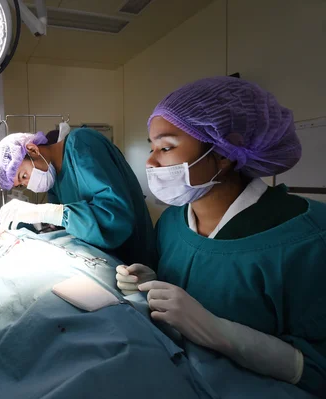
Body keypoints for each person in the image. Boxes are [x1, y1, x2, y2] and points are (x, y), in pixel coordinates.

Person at [117, 76, 326, 396]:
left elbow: (317, 369)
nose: (150, 161)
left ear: (225, 152)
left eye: (166, 147)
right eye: (152, 147)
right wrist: (153, 280)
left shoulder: (308, 239)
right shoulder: (173, 222)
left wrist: (220, 332)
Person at [0, 128, 155, 267]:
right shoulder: (54, 180)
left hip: (132, 260)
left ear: (33, 150)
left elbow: (116, 218)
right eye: (22, 184)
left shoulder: (82, 144)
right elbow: (67, 226)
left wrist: (46, 211)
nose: (28, 184)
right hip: (104, 262)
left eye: (24, 175)